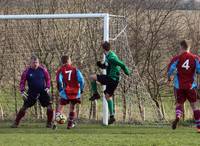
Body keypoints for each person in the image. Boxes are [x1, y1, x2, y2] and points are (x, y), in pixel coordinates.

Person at [89, 41, 130, 124]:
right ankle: (112, 116)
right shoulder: (109, 55)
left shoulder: (111, 57)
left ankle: (96, 94)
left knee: (92, 77)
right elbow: (107, 66)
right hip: (114, 80)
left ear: (103, 49)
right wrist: (101, 65)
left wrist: (127, 72)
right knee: (108, 96)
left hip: (111, 78)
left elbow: (122, 64)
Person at [11, 55, 53, 128]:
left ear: (38, 62)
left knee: (49, 107)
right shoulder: (27, 71)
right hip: (32, 92)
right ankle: (16, 123)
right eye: (34, 62)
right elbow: (22, 82)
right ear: (30, 63)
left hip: (42, 91)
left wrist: (48, 87)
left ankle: (49, 123)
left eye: (37, 62)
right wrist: (22, 90)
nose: (35, 64)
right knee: (24, 107)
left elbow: (48, 79)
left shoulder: (43, 70)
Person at [167, 40, 200, 132]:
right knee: (194, 106)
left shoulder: (177, 58)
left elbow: (170, 70)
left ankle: (178, 116)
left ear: (181, 47)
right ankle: (199, 127)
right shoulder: (195, 58)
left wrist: (169, 78)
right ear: (189, 47)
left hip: (179, 86)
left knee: (179, 104)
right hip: (191, 86)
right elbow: (199, 69)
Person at [55, 55, 84, 129]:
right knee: (72, 107)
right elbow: (81, 80)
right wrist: (81, 89)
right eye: (70, 60)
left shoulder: (60, 70)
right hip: (75, 92)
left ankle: (55, 123)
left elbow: (59, 80)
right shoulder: (75, 69)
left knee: (60, 106)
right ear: (68, 61)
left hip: (66, 92)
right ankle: (70, 124)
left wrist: (60, 90)